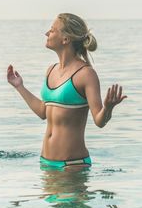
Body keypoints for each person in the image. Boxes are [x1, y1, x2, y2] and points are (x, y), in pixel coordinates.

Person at [7, 13, 127, 170]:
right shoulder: (51, 70)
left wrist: (108, 108)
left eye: (52, 30)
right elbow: (43, 111)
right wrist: (19, 86)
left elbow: (99, 121)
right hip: (46, 163)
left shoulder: (86, 74)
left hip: (72, 166)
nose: (47, 33)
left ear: (65, 39)